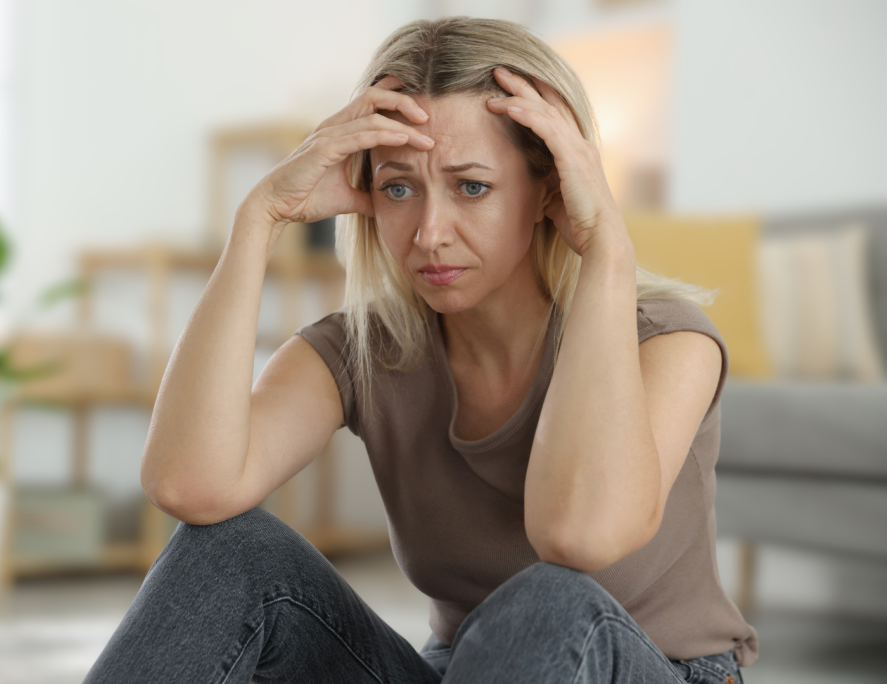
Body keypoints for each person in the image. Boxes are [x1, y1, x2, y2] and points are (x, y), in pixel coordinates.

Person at [85, 16, 757, 684]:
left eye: (472, 187)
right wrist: (258, 220)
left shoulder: (668, 342)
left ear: (550, 188)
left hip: (658, 670)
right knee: (229, 551)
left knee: (550, 597)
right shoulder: (362, 351)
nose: (430, 233)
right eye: (399, 188)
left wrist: (608, 244)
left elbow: (579, 538)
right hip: (466, 673)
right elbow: (190, 485)